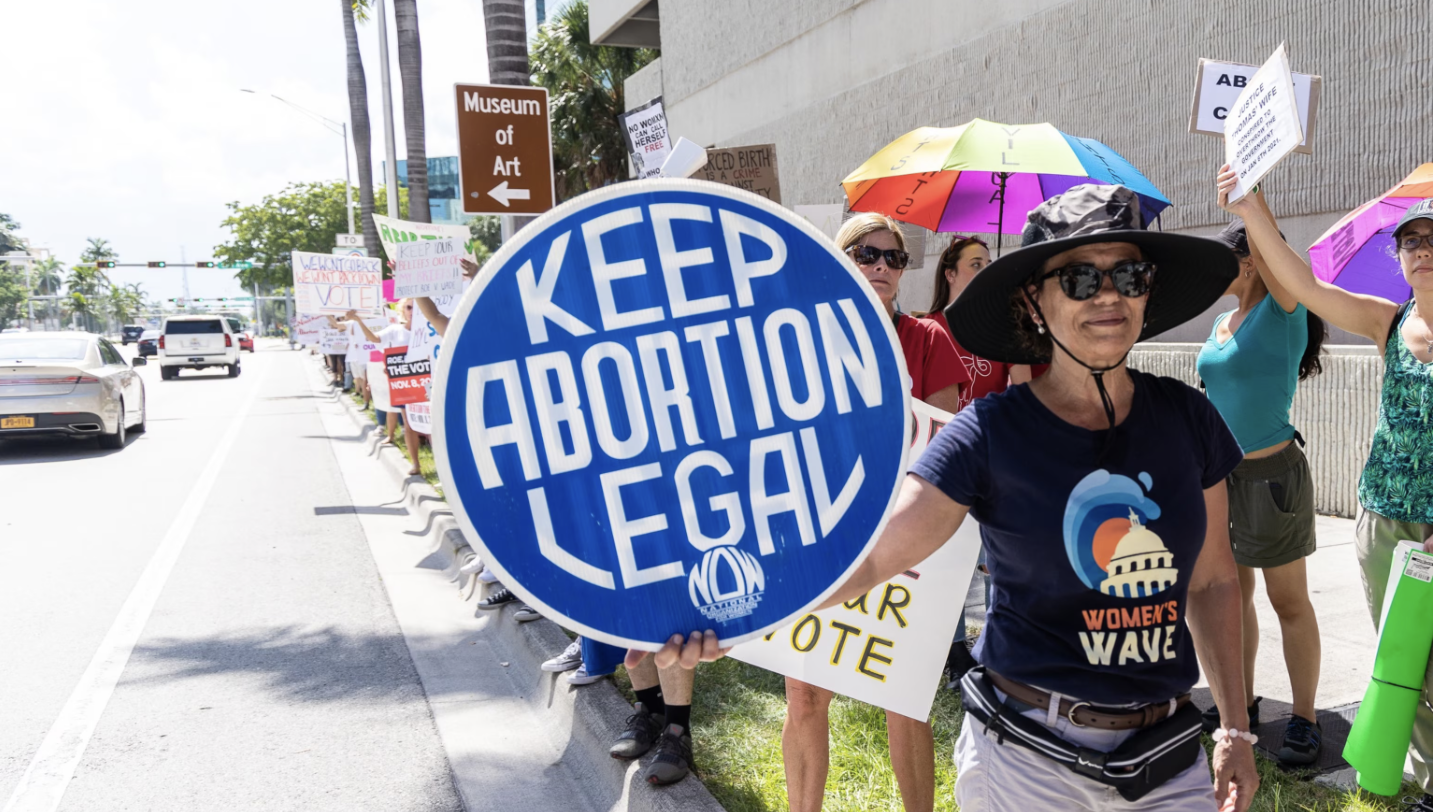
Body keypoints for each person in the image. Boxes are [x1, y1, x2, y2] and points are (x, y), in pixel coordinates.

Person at [653, 185, 1260, 812]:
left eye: (1129, 274)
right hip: (1028, 763)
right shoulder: (990, 433)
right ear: (1034, 301)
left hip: (1166, 762)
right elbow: (867, 558)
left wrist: (1236, 729)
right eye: (1079, 277)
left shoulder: (1189, 419)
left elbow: (1214, 583)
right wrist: (725, 619)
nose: (1108, 294)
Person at [1218, 167, 1432, 802]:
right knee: (1405, 663)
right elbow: (1302, 283)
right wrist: (1249, 205)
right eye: (1411, 241)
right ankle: (1428, 781)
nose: (1422, 249)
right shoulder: (1388, 324)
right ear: (1398, 258)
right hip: (1388, 522)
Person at [780, 213, 970, 812]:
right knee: (805, 697)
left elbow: (943, 450)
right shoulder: (801, 338)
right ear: (840, 259)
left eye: (894, 258)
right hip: (822, 535)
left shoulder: (928, 339)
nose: (883, 267)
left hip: (904, 541)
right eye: (867, 254)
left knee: (904, 697)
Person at [1193, 211, 1328, 766]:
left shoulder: (1283, 309)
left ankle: (1305, 718)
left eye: (1226, 258)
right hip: (1218, 476)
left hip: (1271, 478)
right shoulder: (1224, 320)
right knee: (1231, 595)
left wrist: (1251, 200)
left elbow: (1276, 260)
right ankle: (1239, 706)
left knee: (1287, 600)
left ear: (1248, 260)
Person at [926, 235, 1037, 409]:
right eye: (976, 265)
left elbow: (1026, 402)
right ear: (950, 274)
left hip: (991, 433)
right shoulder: (926, 331)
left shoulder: (1007, 329)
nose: (986, 271)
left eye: (989, 265)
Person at [348, 301, 422, 476]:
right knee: (410, 425)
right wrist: (358, 320)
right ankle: (416, 463)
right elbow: (374, 339)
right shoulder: (395, 330)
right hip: (404, 385)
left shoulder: (430, 329)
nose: (413, 311)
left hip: (426, 384)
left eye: (417, 307)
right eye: (409, 307)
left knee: (432, 425)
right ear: (402, 310)